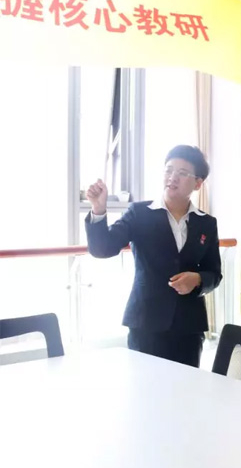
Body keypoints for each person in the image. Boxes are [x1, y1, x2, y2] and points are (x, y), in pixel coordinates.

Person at [85, 145, 222, 368]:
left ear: (198, 183)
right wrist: (99, 210)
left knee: (186, 387)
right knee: (144, 387)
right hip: (146, 324)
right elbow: (102, 248)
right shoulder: (139, 213)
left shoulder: (206, 223)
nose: (172, 177)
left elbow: (214, 273)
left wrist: (197, 279)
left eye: (182, 173)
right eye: (169, 170)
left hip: (189, 327)